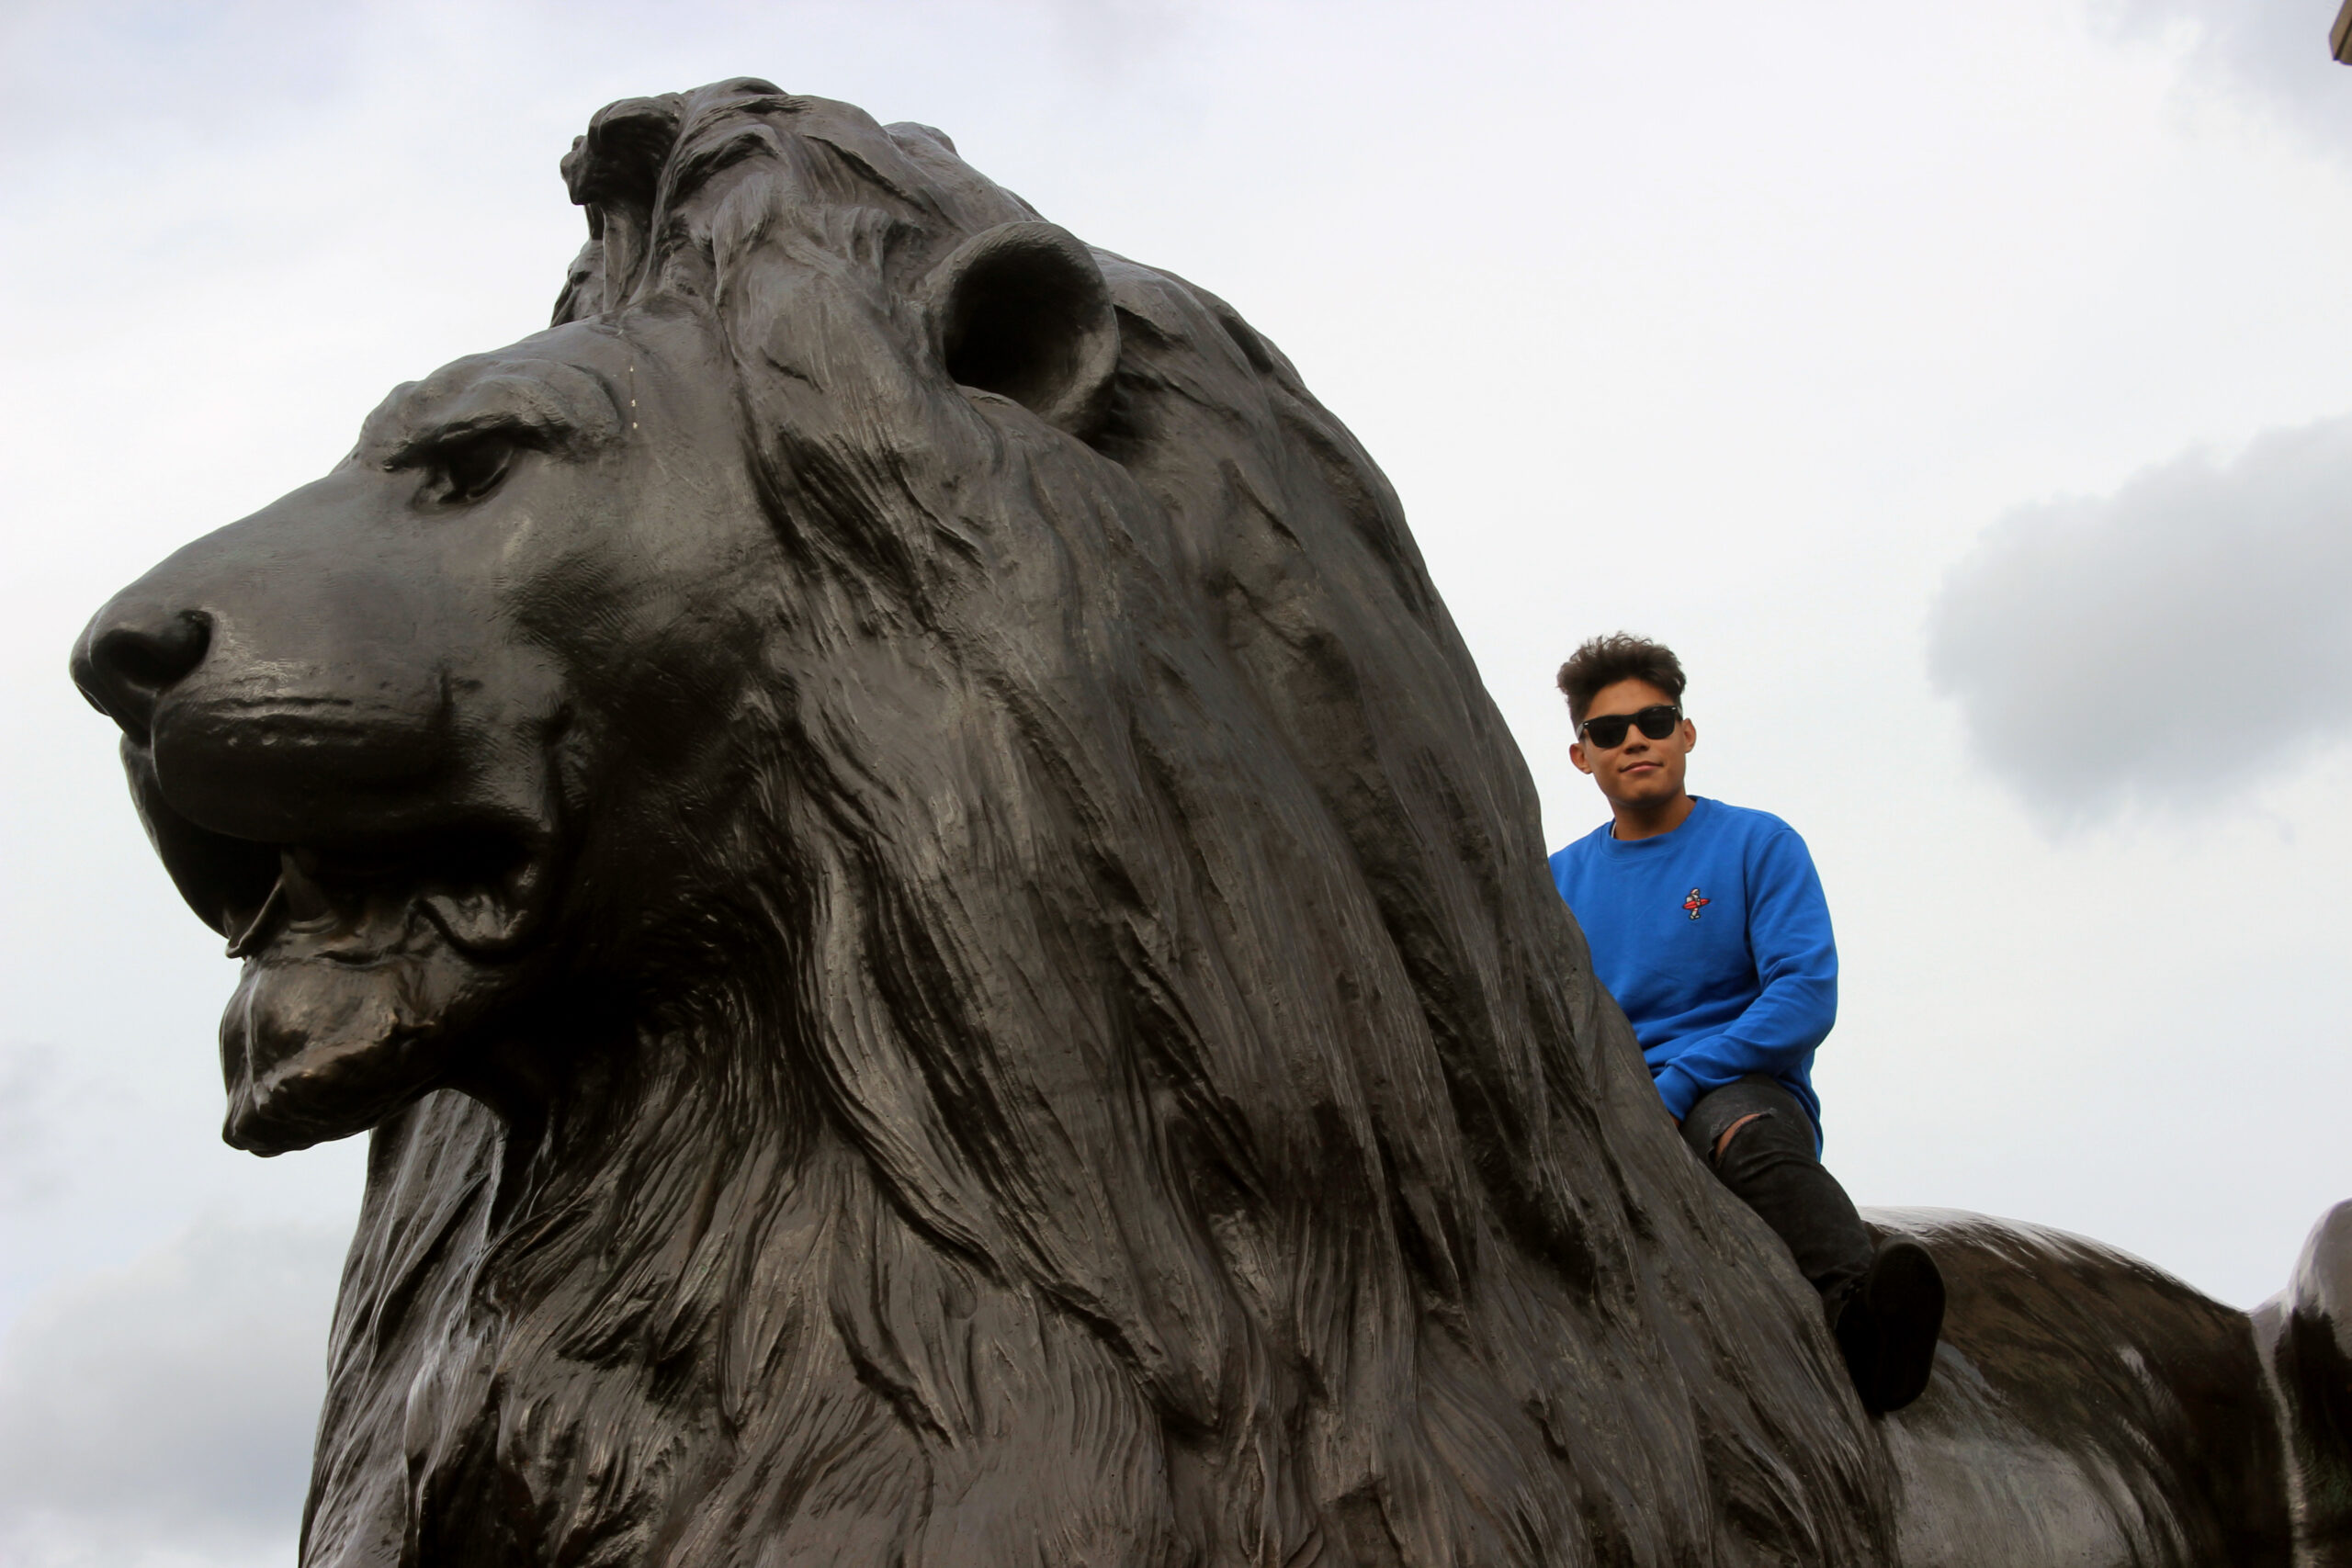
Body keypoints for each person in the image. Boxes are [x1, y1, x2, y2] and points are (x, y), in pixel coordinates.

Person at [1546, 633, 1942, 1415]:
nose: (1634, 739)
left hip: (1733, 1087)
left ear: (1686, 734)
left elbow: (1804, 993)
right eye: (1608, 729)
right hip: (1607, 1109)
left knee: (1745, 1132)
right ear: (1580, 755)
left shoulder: (1758, 843)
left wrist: (1681, 1082)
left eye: (1655, 720)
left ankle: (1864, 1325)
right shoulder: (1554, 884)